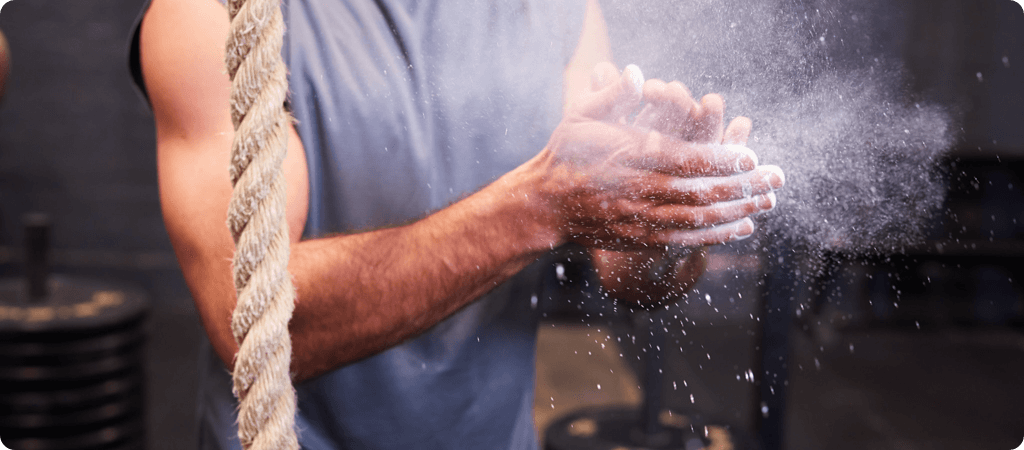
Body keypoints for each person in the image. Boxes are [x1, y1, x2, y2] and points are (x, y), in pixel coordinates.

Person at [131, 0, 784, 448]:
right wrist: (537, 207)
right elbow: (258, 322)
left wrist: (667, 218)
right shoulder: (217, 15)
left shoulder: (555, 10)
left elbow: (627, 273)